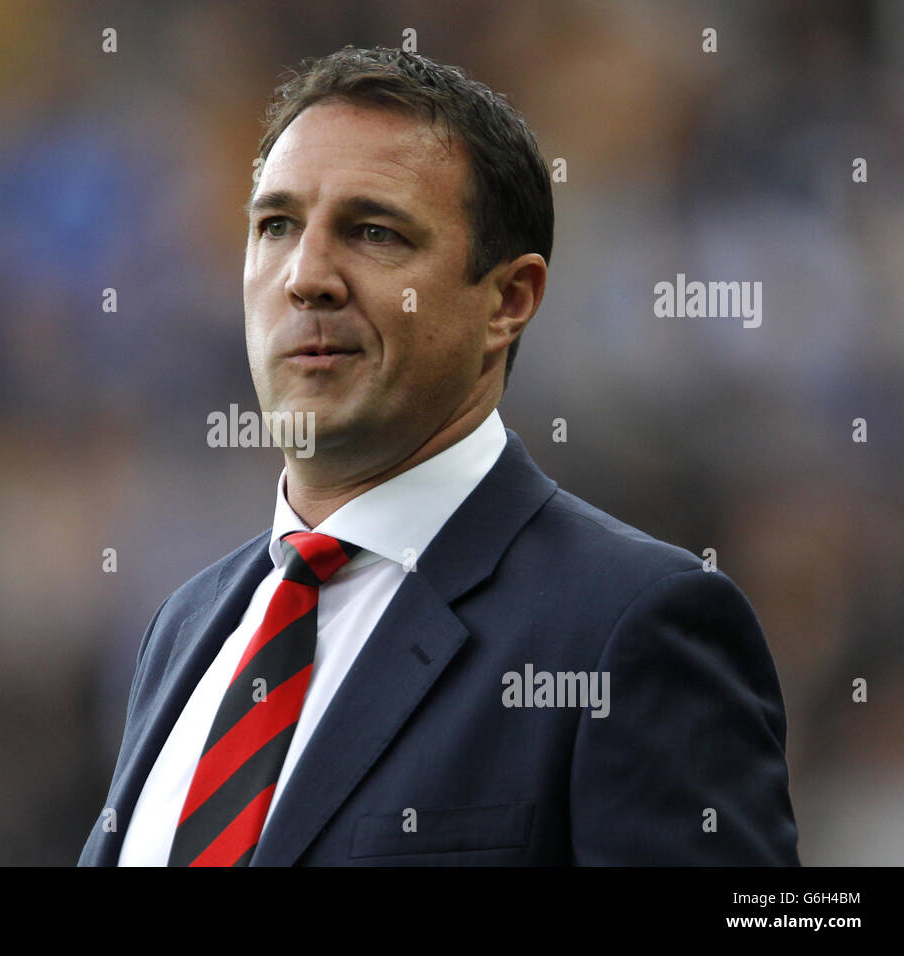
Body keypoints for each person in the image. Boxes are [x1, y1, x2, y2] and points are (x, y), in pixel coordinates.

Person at [78, 46, 799, 866]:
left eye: (374, 232)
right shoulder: (187, 627)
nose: (306, 275)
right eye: (276, 225)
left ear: (507, 301)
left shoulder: (631, 626)